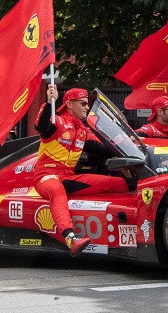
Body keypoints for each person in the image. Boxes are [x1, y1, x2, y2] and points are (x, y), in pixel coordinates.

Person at [33, 84, 129, 255]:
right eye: (83, 104)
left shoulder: (83, 131)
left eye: (87, 104)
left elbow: (105, 150)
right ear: (70, 103)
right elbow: (41, 126)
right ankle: (70, 238)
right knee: (57, 190)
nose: (87, 108)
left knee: (119, 183)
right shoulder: (57, 121)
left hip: (69, 177)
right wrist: (49, 103)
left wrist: (125, 141)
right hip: (46, 176)